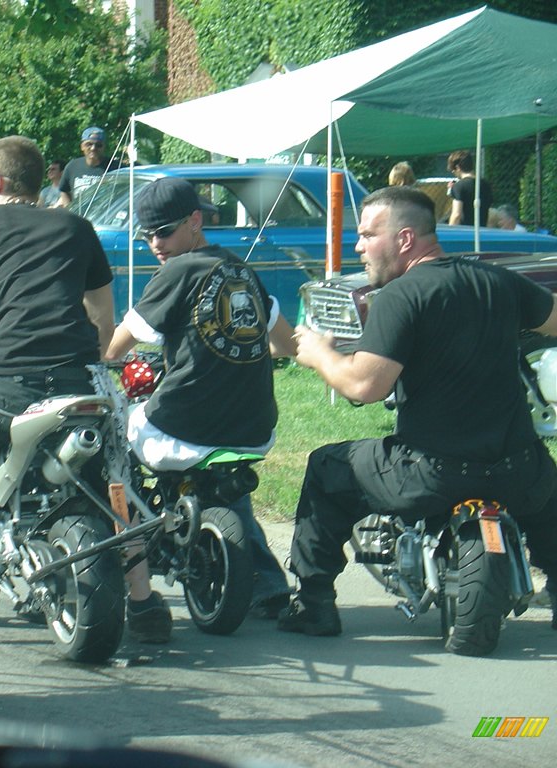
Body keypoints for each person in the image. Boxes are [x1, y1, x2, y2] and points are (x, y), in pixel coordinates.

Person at [283, 186, 557, 637]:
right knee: (547, 499)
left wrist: (318, 355)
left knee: (326, 467)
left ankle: (313, 603)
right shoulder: (497, 281)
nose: (358, 246)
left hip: (431, 474)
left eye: (369, 235)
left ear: (405, 239)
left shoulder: (399, 296)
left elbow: (365, 386)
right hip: (517, 470)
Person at [103, 178, 297, 642]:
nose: (155, 244)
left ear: (195, 222)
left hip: (183, 426)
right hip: (254, 426)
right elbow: (285, 342)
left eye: (163, 232)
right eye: (146, 235)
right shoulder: (242, 270)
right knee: (223, 484)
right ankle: (266, 583)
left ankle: (128, 559)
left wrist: (95, 361)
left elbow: (117, 342)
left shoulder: (177, 272)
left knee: (113, 442)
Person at [0, 135, 115, 496]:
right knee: (105, 481)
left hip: (6, 390)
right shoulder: (78, 228)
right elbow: (104, 320)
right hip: (79, 387)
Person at [57, 126, 109, 208]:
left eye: (98, 145)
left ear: (104, 147)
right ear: (82, 146)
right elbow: (64, 190)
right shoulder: (72, 166)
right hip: (79, 218)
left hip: (103, 218)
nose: (93, 148)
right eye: (89, 144)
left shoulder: (116, 167)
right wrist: (70, 209)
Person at [447, 149, 493, 227]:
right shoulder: (486, 184)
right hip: (481, 231)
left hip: (465, 233)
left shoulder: (459, 186)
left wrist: (450, 233)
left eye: (453, 170)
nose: (453, 173)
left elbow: (457, 215)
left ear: (458, 167)